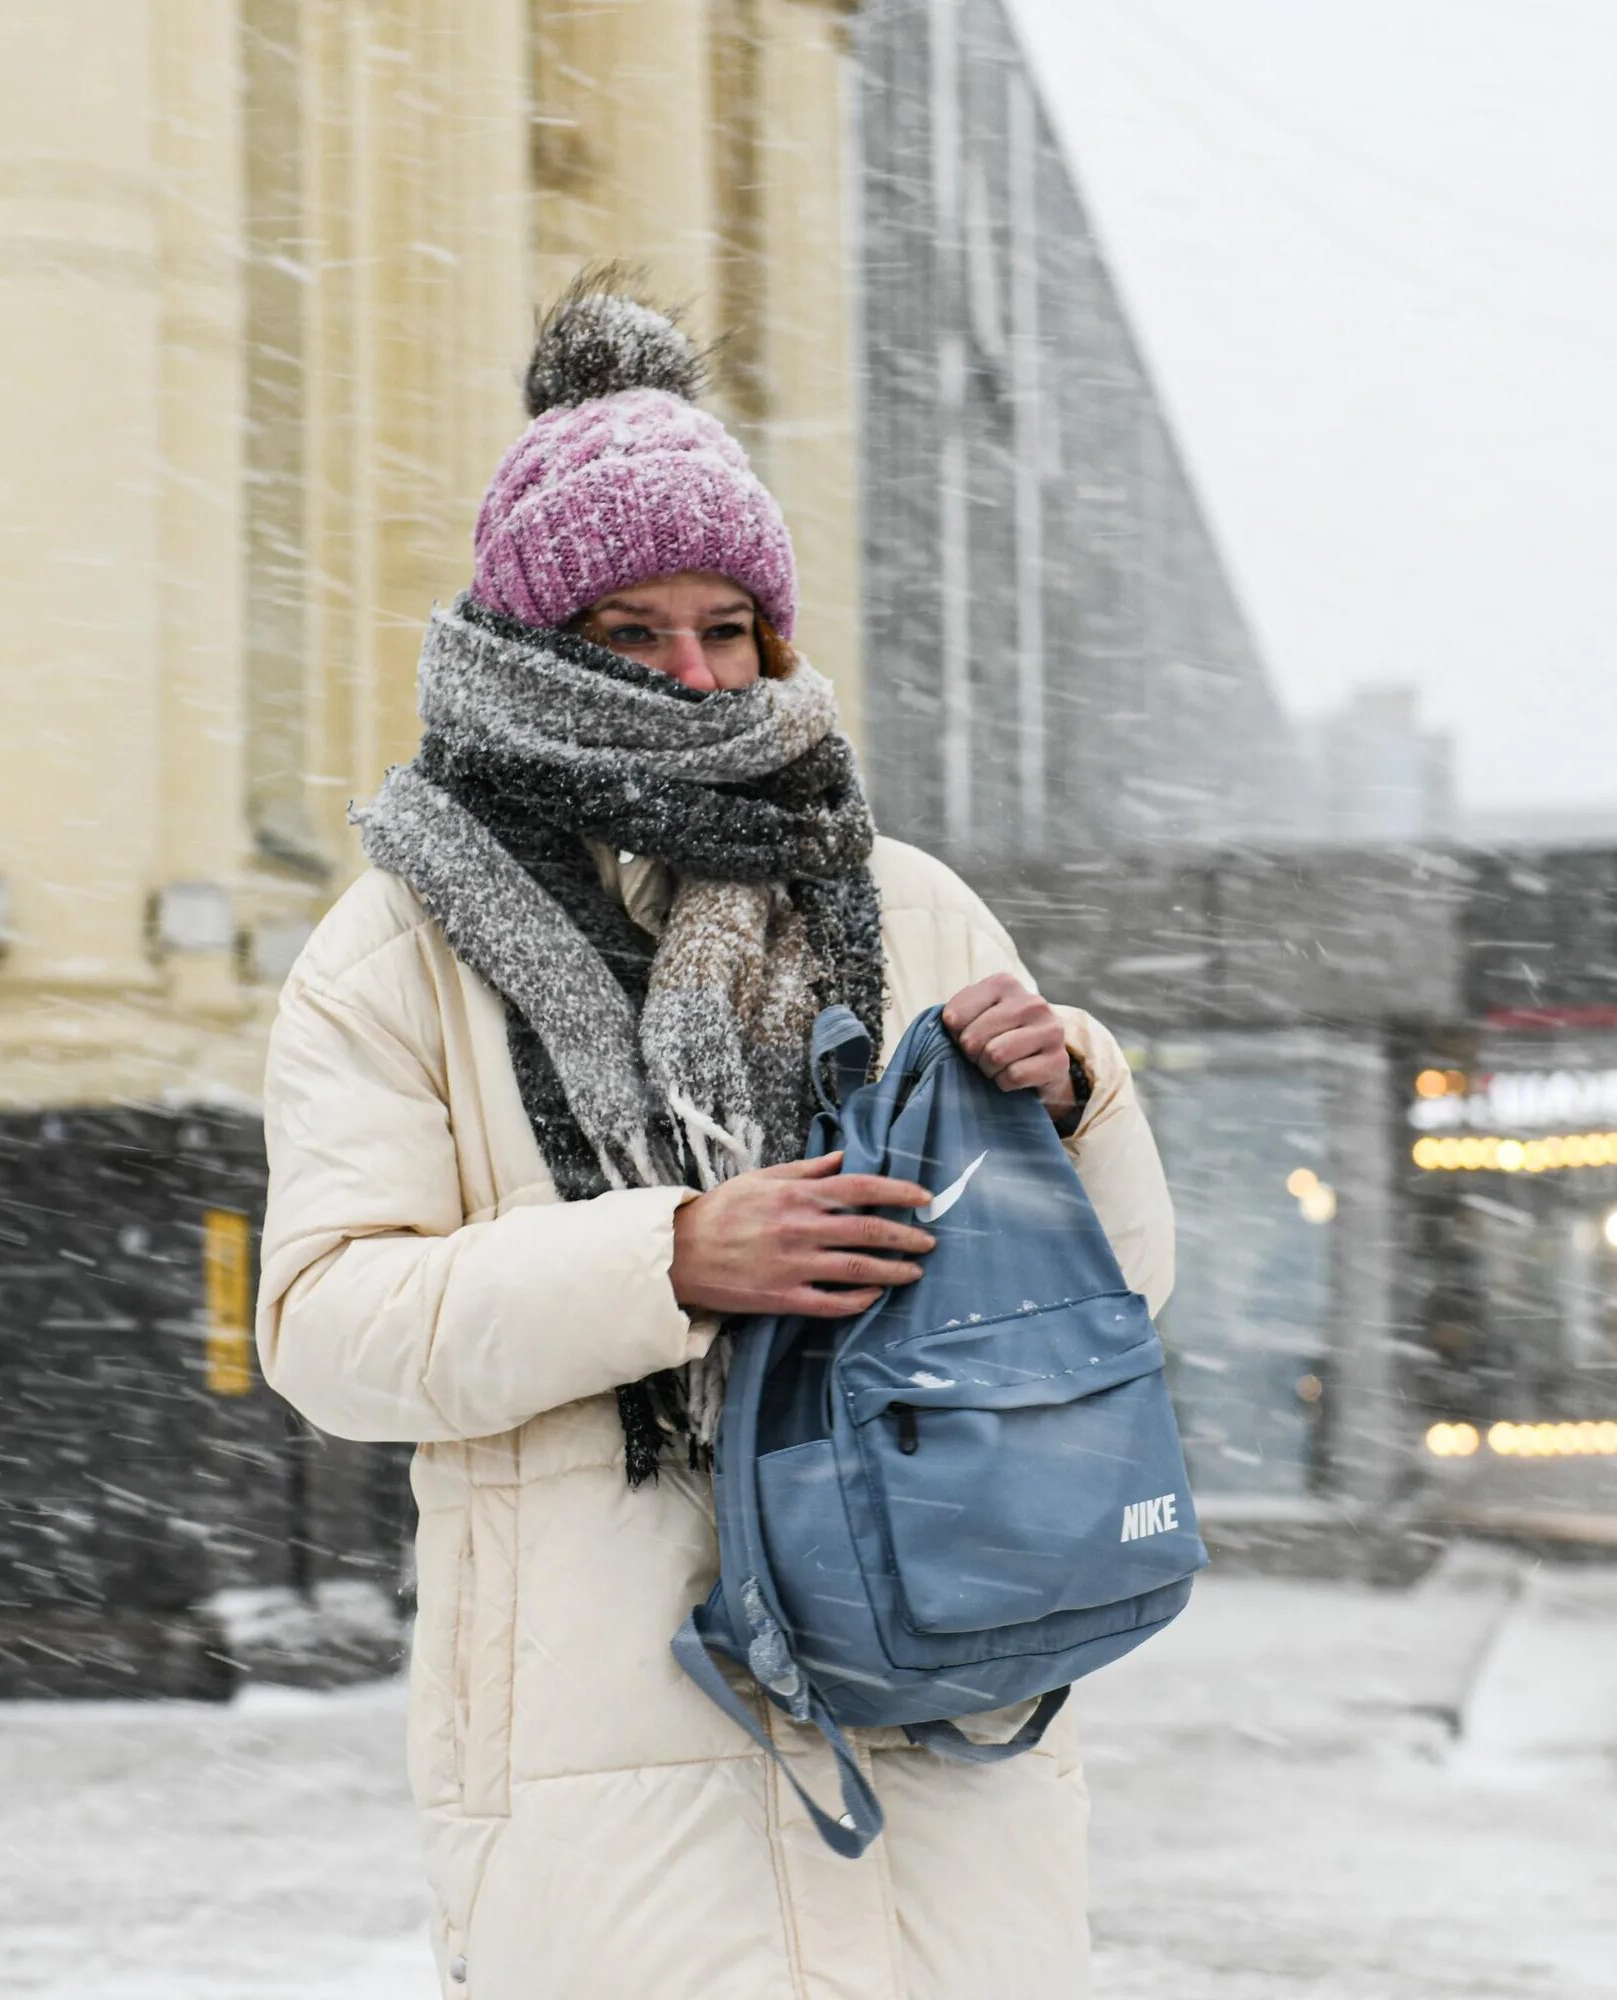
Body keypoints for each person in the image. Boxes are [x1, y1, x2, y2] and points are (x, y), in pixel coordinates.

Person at [254, 277, 1176, 2000]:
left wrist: (1072, 1105)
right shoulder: (394, 948)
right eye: (630, 629)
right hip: (600, 1758)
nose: (692, 671)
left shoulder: (909, 904)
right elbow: (329, 1336)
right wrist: (669, 1260)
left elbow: (1109, 1297)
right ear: (531, 638)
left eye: (729, 627)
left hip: (938, 1706)